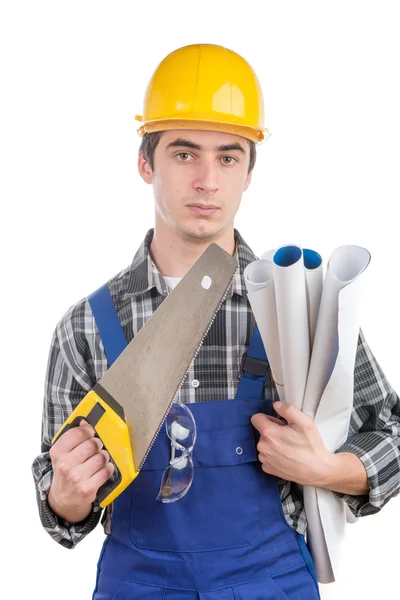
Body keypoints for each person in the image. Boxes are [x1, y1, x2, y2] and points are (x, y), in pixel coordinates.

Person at [32, 44, 400, 599]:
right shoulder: (86, 327)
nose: (207, 179)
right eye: (184, 154)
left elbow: (392, 432)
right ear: (145, 163)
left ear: (249, 172)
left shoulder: (299, 307)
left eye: (228, 157)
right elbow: (58, 510)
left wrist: (330, 470)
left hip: (271, 585)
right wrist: (67, 492)